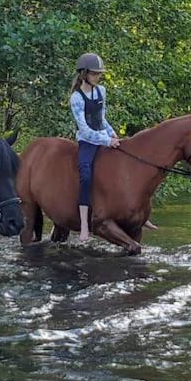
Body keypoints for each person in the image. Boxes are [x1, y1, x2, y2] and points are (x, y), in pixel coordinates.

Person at [69, 53, 121, 242]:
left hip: (104, 136)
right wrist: (106, 141)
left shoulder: (102, 91)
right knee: (86, 175)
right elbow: (84, 128)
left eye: (99, 73)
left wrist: (112, 133)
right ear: (84, 74)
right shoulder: (76, 97)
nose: (98, 77)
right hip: (88, 141)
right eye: (94, 73)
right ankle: (84, 224)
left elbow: (101, 118)